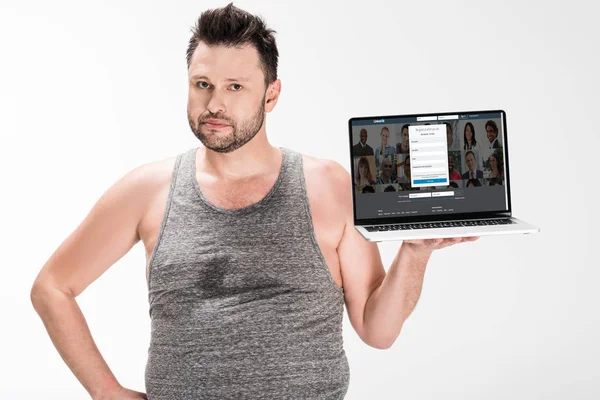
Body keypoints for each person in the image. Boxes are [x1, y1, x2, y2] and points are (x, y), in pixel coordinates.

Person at [30, 4, 478, 399]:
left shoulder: (329, 185)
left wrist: (415, 253)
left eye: (235, 87)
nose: (215, 103)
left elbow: (377, 330)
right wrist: (106, 392)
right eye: (202, 83)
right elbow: (52, 287)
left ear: (272, 95)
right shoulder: (147, 190)